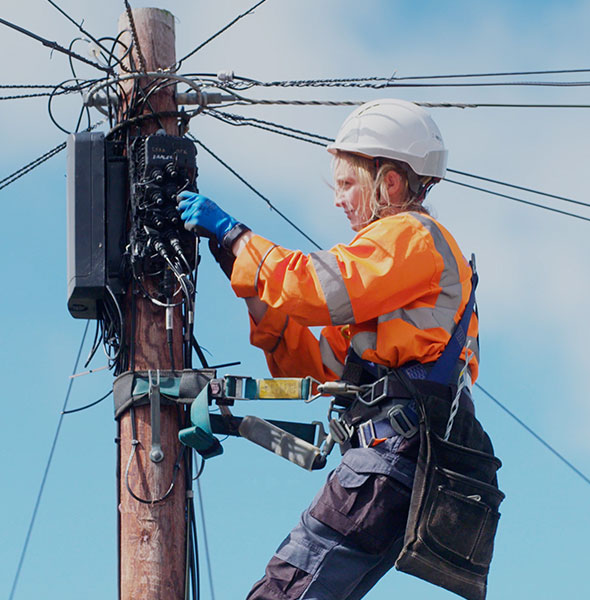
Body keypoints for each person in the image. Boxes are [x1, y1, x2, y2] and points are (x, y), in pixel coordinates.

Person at [178, 99, 496, 600]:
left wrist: (237, 238)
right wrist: (247, 278)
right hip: (395, 464)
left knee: (284, 591)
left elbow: (317, 288)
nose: (338, 200)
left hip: (391, 457)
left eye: (347, 184)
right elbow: (316, 366)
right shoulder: (393, 272)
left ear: (389, 182)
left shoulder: (411, 237)